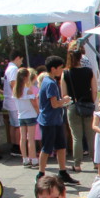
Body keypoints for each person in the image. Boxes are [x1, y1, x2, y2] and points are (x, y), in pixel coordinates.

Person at [37, 55, 77, 184]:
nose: (62, 70)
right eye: (60, 68)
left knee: (61, 146)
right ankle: (41, 174)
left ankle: (62, 171)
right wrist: (64, 101)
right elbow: (54, 103)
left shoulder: (49, 81)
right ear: (53, 69)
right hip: (49, 120)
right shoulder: (50, 83)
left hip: (55, 120)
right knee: (47, 148)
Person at [62, 43, 97, 172]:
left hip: (73, 106)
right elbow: (94, 90)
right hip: (88, 105)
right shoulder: (89, 72)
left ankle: (77, 164)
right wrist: (91, 102)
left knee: (76, 137)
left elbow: (64, 95)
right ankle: (96, 162)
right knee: (91, 136)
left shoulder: (66, 73)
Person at [15, 66, 39, 167]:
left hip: (21, 115)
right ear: (25, 78)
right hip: (30, 115)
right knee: (31, 138)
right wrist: (38, 112)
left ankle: (24, 158)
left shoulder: (15, 90)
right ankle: (33, 158)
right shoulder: (28, 90)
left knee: (23, 138)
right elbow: (34, 103)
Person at [2, 50, 23, 156]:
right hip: (14, 100)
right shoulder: (14, 69)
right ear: (18, 58)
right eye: (21, 60)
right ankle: (17, 146)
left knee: (13, 124)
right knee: (18, 125)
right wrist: (20, 95)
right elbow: (13, 83)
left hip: (9, 100)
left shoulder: (9, 68)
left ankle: (14, 145)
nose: (21, 63)